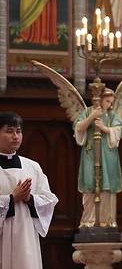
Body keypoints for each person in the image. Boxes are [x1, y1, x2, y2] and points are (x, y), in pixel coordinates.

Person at [0, 112, 58, 268]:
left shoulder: (32, 166)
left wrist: (30, 199)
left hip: (26, 239)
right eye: (9, 131)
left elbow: (49, 200)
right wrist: (11, 199)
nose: (15, 136)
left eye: (18, 131)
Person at [74, 87, 122, 227]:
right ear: (100, 99)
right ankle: (89, 220)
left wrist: (104, 128)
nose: (110, 105)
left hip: (108, 156)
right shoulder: (88, 112)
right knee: (90, 184)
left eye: (111, 102)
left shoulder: (112, 115)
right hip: (91, 153)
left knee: (107, 187)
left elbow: (119, 130)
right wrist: (91, 117)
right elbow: (78, 128)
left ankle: (106, 220)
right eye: (107, 101)